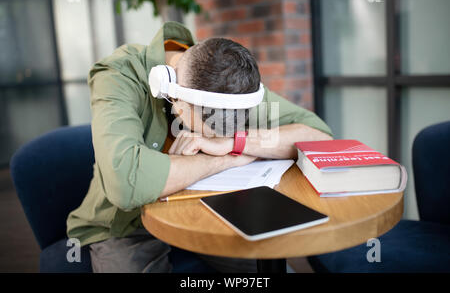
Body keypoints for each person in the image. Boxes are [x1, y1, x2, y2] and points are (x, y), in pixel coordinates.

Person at [66, 21, 333, 273]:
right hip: (127, 225)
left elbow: (320, 138)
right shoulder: (119, 74)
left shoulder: (227, 80)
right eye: (205, 131)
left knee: (269, 268)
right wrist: (226, 159)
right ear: (172, 92)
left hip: (204, 211)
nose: (212, 139)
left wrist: (232, 142)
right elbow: (126, 184)